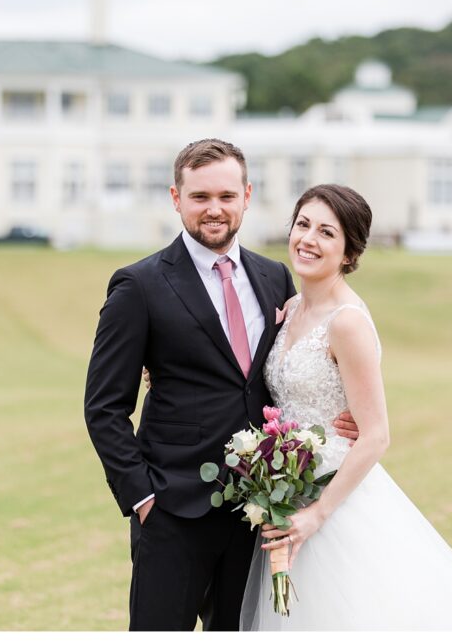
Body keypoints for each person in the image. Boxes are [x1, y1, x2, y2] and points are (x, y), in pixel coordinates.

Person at [83, 139, 358, 631]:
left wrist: (344, 418)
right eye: (200, 197)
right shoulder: (138, 286)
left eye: (227, 196)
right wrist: (143, 499)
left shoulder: (275, 278)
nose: (215, 209)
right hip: (171, 511)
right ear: (176, 198)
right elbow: (104, 407)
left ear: (247, 196)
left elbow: (289, 373)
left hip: (256, 516)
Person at [240, 184, 452, 631]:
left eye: (326, 233)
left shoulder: (347, 322)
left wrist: (316, 514)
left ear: (349, 252)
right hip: (287, 493)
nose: (308, 239)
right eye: (303, 225)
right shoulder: (290, 309)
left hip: (334, 505)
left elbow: (375, 435)